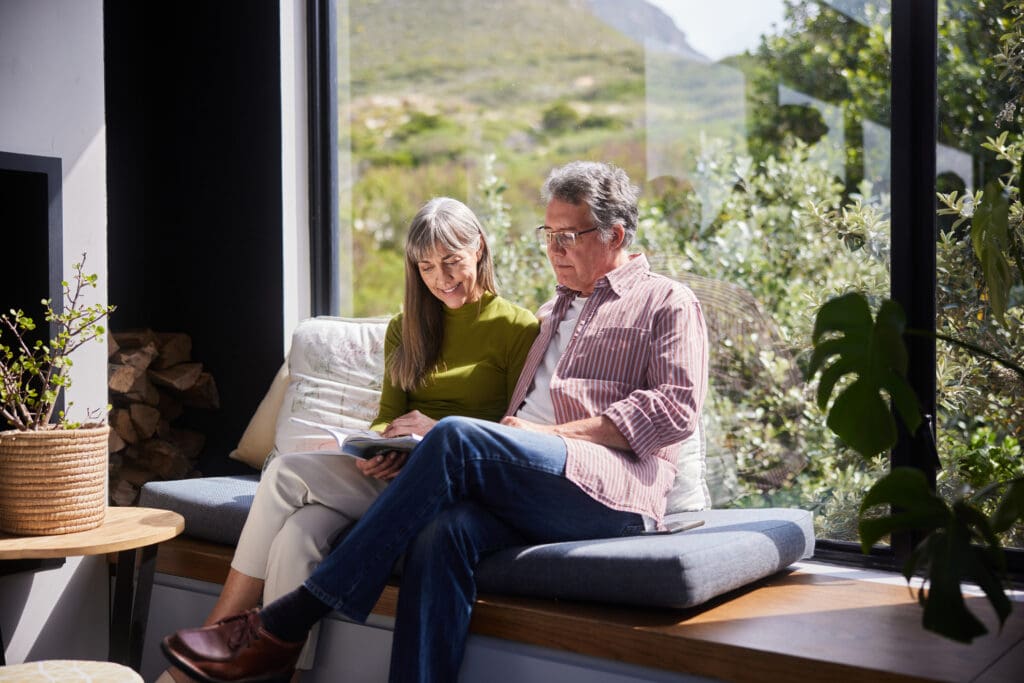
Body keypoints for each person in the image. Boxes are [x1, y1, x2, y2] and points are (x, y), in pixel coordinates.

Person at [161, 161, 708, 683]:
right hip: (529, 487)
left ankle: (282, 623)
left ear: (615, 235)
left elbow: (676, 409)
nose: (554, 250)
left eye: (570, 236)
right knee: (439, 535)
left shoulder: (667, 302)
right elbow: (508, 417)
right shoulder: (551, 314)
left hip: (610, 494)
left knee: (455, 436)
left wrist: (543, 435)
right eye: (548, 233)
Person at [160, 196, 539, 683]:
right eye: (426, 267)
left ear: (479, 247)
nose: (441, 279)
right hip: (396, 475)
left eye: (451, 261)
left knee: (283, 472)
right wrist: (374, 445)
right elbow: (387, 418)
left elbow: (514, 432)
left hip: (455, 485)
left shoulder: (518, 327)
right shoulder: (409, 326)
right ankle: (280, 674)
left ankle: (214, 642)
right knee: (299, 535)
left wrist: (437, 431)